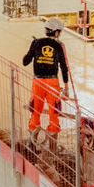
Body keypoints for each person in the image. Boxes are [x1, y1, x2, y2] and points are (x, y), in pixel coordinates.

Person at [22, 17, 70, 146]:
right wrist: (66, 88)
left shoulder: (36, 43)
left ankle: (32, 143)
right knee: (54, 112)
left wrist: (32, 50)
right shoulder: (59, 46)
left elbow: (25, 61)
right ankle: (52, 148)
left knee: (35, 111)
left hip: (37, 82)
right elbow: (64, 67)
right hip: (53, 82)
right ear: (56, 32)